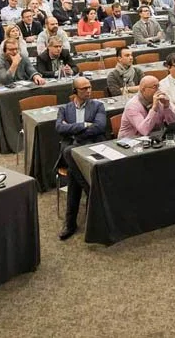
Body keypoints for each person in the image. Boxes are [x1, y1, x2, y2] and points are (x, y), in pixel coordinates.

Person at [55, 77, 108, 240]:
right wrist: (84, 125)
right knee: (71, 153)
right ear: (74, 92)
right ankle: (91, 193)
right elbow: (59, 128)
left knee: (71, 162)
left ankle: (70, 223)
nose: (88, 91)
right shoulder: (64, 109)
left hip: (91, 148)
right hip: (74, 150)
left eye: (89, 87)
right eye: (84, 88)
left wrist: (72, 130)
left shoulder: (98, 105)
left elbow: (99, 127)